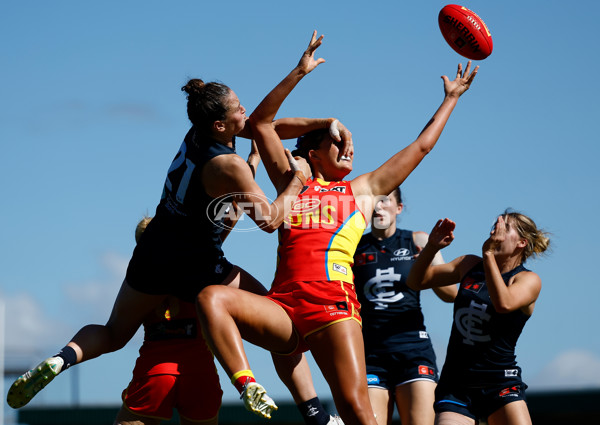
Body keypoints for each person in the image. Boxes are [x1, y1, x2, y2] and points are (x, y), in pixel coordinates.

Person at [7, 38, 352, 424]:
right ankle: (310, 412)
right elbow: (270, 220)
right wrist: (295, 183)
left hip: (153, 252)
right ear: (221, 123)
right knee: (278, 315)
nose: (245, 110)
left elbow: (262, 128)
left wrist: (315, 109)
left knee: (113, 333)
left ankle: (60, 358)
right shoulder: (230, 165)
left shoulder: (198, 136)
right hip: (197, 263)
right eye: (238, 108)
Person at [196, 30, 478, 425]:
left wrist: (450, 99)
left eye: (350, 144)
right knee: (211, 297)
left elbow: (420, 147)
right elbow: (261, 122)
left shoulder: (362, 190)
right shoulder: (291, 183)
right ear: (313, 152)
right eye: (338, 142)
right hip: (286, 307)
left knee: (356, 411)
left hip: (333, 305)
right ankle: (247, 385)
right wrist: (301, 76)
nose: (348, 148)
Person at [406, 211, 550, 425]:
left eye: (504, 227)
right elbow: (416, 281)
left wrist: (489, 254)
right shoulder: (469, 265)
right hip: (457, 386)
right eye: (495, 225)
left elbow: (504, 303)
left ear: (522, 242)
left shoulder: (528, 280)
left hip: (500, 383)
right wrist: (432, 247)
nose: (494, 231)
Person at [352, 187, 457, 425]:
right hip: (371, 354)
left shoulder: (418, 240)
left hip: (413, 350)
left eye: (385, 201)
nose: (379, 207)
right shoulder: (353, 246)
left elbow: (449, 295)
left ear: (399, 208)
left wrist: (430, 255)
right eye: (374, 203)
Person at [115, 217, 222, 425]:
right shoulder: (202, 268)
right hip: (200, 372)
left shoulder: (139, 281)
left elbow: (118, 330)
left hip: (154, 372)